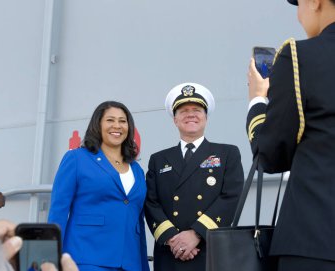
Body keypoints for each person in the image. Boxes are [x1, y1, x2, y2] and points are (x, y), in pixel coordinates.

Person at [246, 0, 335, 270]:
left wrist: (258, 101)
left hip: (315, 240)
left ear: (314, 2)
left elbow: (271, 155)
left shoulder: (298, 56)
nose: (299, 16)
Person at [145, 83, 244, 271]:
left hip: (209, 250)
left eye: (197, 110)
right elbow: (151, 202)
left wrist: (196, 234)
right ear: (175, 119)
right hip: (170, 252)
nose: (190, 114)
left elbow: (230, 197)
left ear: (206, 118)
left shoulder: (227, 153)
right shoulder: (158, 159)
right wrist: (173, 239)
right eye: (183, 111)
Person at [48, 101, 150, 271]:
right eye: (110, 120)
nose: (117, 126)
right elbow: (58, 210)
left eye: (123, 121)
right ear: (98, 125)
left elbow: (137, 220)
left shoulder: (137, 170)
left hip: (131, 262)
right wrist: (51, 258)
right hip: (86, 258)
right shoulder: (76, 158)